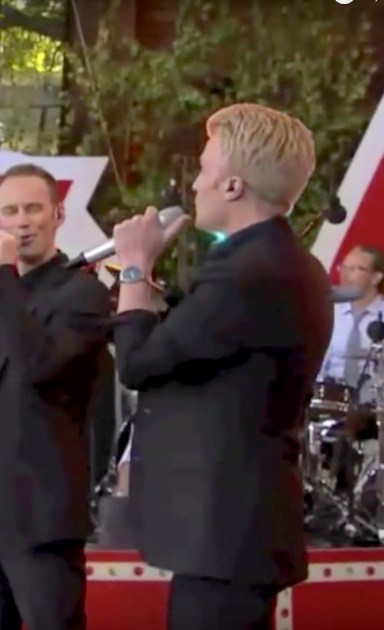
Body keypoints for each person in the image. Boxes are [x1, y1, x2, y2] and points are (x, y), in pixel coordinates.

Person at [111, 103, 332, 629]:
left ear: (233, 186)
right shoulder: (283, 263)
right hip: (238, 532)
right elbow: (196, 347)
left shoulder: (246, 273)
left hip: (225, 534)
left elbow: (138, 363)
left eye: (204, 170)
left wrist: (134, 268)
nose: (195, 185)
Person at [0, 163, 113, 630]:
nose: (22, 221)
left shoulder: (83, 294)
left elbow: (40, 365)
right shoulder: (3, 298)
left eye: (34, 209)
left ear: (58, 215)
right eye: (11, 211)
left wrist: (3, 276)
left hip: (43, 516)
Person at [318, 244, 384, 403]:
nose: (346, 274)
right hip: (326, 396)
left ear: (376, 277)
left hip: (373, 403)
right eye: (344, 267)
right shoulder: (328, 311)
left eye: (356, 269)